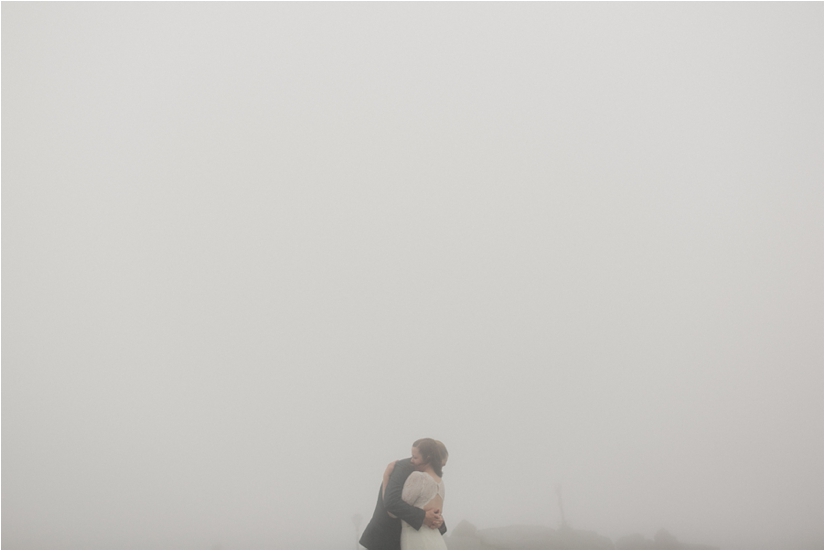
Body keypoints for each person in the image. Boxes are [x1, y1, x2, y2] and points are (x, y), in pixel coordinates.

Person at [359, 439, 449, 550]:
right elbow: (391, 502)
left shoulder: (433, 479)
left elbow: (431, 509)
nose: (441, 466)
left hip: (416, 539)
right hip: (387, 538)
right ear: (431, 457)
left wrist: (438, 521)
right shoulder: (404, 468)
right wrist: (386, 476)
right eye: (441, 462)